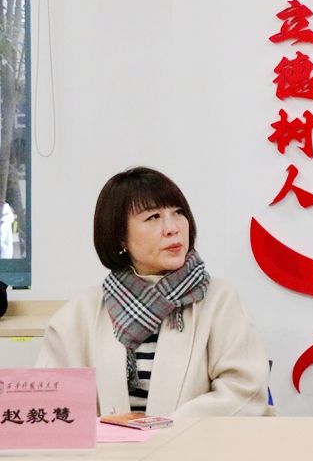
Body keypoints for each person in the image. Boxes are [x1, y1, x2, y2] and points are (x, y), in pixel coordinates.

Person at [37, 166, 271, 417]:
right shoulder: (79, 314)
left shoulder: (219, 300)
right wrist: (110, 430)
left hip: (194, 442)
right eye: (153, 217)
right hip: (107, 444)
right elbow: (51, 406)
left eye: (178, 212)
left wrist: (164, 428)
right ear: (120, 238)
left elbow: (244, 392)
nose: (172, 228)